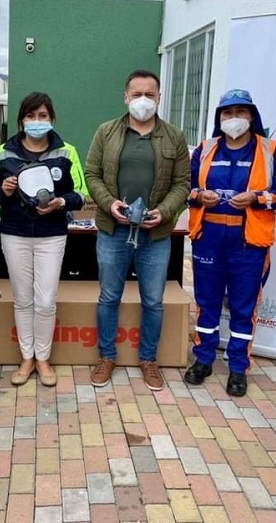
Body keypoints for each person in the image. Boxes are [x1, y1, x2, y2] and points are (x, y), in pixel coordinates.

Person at [184, 89, 276, 397]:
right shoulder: (205, 149)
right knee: (206, 302)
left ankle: (238, 367)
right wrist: (199, 195)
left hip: (249, 243)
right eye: (227, 113)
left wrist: (256, 198)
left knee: (243, 307)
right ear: (219, 118)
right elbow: (186, 188)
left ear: (252, 116)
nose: (234, 118)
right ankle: (203, 359)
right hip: (209, 237)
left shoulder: (272, 150)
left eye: (241, 112)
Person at [84, 69, 190, 391]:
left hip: (155, 236)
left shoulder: (175, 136)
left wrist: (165, 211)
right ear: (126, 97)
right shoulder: (106, 132)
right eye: (137, 94)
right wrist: (109, 204)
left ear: (159, 98)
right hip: (113, 231)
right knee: (109, 297)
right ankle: (106, 357)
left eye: (150, 95)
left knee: (153, 301)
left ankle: (148, 359)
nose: (143, 100)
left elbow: (182, 183)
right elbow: (92, 174)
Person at [0, 92, 86, 387]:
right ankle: (27, 357)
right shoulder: (3, 152)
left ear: (52, 119)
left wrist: (60, 203)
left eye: (43, 116)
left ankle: (43, 358)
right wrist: (3, 191)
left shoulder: (67, 151)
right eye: (31, 116)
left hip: (51, 235)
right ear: (21, 120)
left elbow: (82, 194)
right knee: (23, 299)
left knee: (45, 300)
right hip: (14, 233)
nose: (37, 121)